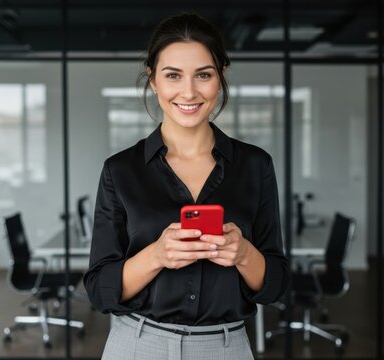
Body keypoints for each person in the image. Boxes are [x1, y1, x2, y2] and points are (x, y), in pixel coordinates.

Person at [83, 13, 289, 360]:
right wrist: (156, 256)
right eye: (173, 75)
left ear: (220, 77)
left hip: (226, 348)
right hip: (137, 345)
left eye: (203, 75)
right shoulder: (120, 171)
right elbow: (100, 291)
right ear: (153, 81)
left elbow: (276, 285)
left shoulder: (255, 166)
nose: (189, 92)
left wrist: (243, 254)